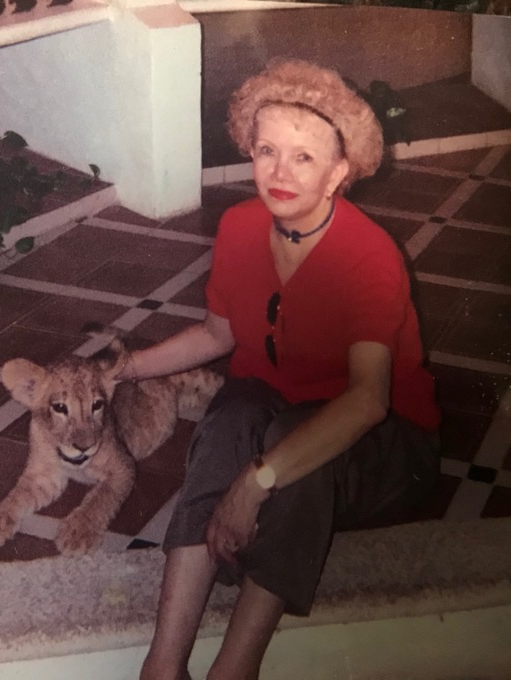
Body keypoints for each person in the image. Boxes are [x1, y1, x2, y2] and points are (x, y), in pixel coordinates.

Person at [120, 59, 441, 680]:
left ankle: (234, 669)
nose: (279, 173)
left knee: (293, 441)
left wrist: (254, 483)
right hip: (273, 413)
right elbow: (217, 334)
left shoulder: (369, 255)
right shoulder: (239, 227)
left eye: (303, 157)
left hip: (383, 447)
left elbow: (368, 401)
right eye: (267, 150)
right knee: (231, 415)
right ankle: (163, 666)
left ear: (339, 172)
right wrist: (126, 369)